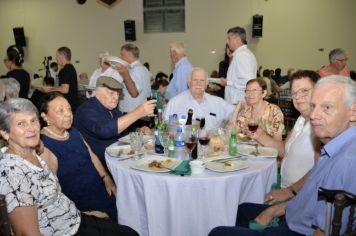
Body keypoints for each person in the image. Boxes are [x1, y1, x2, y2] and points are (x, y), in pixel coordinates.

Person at [209, 76, 356, 236]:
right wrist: (280, 204)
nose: (314, 114)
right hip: (294, 207)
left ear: (353, 112)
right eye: (314, 105)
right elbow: (287, 153)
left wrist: (286, 196)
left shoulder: (346, 158)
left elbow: (325, 229)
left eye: (327, 107)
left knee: (218, 232)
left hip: (298, 226)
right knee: (242, 209)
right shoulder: (314, 128)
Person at [0, 98, 138, 236]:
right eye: (21, 124)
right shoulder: (13, 172)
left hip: (74, 217)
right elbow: (27, 233)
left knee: (130, 228)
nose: (31, 128)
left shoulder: (34, 149)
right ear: (5, 132)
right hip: (64, 230)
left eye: (33, 120)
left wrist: (105, 177)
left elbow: (55, 192)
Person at [39, 92, 118, 222]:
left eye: (69, 109)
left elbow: (91, 156)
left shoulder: (73, 131)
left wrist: (106, 178)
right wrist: (80, 214)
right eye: (60, 110)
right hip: (81, 206)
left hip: (100, 191)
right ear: (45, 116)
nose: (68, 113)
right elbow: (51, 194)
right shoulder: (44, 146)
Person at [249, 70, 320, 188]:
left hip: (299, 194)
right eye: (294, 93)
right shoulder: (301, 119)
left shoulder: (321, 127)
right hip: (283, 184)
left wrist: (290, 192)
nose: (298, 97)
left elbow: (320, 171)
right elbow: (284, 151)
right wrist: (260, 135)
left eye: (304, 91)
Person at [74, 76, 155, 169]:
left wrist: (138, 130)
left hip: (120, 157)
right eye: (111, 93)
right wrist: (138, 112)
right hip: (99, 165)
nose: (116, 97)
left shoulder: (112, 109)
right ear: (97, 92)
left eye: (118, 93)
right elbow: (104, 130)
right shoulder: (86, 110)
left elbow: (124, 129)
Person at [164, 67, 234, 130]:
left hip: (211, 143)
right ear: (188, 83)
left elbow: (235, 111)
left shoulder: (217, 102)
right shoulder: (174, 103)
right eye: (195, 80)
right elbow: (164, 127)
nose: (198, 83)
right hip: (184, 143)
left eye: (202, 80)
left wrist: (242, 105)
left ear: (207, 84)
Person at [224, 26, 257, 104]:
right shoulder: (243, 54)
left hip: (238, 102)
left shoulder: (242, 55)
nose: (227, 42)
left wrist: (227, 82)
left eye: (229, 39)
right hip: (238, 102)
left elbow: (248, 82)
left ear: (238, 40)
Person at [115, 43, 151, 114]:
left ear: (130, 55)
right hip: (136, 110)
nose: (121, 58)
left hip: (133, 112)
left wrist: (125, 75)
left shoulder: (137, 69)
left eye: (122, 55)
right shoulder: (142, 68)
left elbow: (134, 93)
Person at [42, 46, 79, 112]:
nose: (56, 58)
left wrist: (49, 89)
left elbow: (65, 89)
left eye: (57, 56)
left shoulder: (66, 69)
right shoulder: (70, 68)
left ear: (62, 56)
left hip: (68, 105)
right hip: (71, 105)